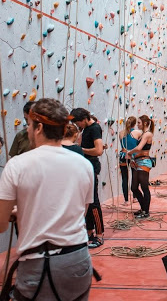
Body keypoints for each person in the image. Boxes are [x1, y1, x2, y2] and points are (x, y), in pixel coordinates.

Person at [0, 98, 94, 300]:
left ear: (39, 127)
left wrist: (19, 213)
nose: (26, 130)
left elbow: (0, 224)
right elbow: (79, 212)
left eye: (29, 124)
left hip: (38, 263)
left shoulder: (17, 165)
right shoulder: (84, 164)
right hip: (78, 260)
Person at [70, 108, 105, 248]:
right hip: (85, 165)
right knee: (87, 202)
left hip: (91, 165)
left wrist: (79, 149)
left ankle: (99, 234)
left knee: (94, 201)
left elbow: (98, 150)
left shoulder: (95, 128)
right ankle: (89, 231)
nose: (78, 125)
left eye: (78, 122)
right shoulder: (86, 129)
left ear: (84, 118)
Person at [126, 115, 154, 219]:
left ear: (145, 123)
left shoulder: (147, 134)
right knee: (134, 187)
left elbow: (139, 148)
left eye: (139, 123)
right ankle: (143, 208)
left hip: (144, 162)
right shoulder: (143, 134)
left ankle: (146, 211)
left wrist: (130, 152)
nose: (137, 124)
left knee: (144, 187)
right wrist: (133, 158)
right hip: (138, 162)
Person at [119, 116, 137, 205]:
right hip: (133, 157)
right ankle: (134, 197)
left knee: (124, 178)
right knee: (134, 176)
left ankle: (126, 200)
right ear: (135, 124)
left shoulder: (121, 133)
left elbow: (123, 146)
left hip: (123, 156)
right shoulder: (137, 133)